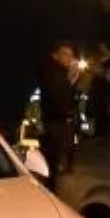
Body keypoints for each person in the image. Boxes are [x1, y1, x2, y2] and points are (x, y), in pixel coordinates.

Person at [36, 40, 82, 191]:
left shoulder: (58, 73)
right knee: (56, 166)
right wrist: (70, 81)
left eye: (71, 55)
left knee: (55, 166)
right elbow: (61, 101)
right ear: (55, 55)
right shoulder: (55, 73)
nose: (69, 58)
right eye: (65, 54)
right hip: (56, 126)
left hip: (57, 125)